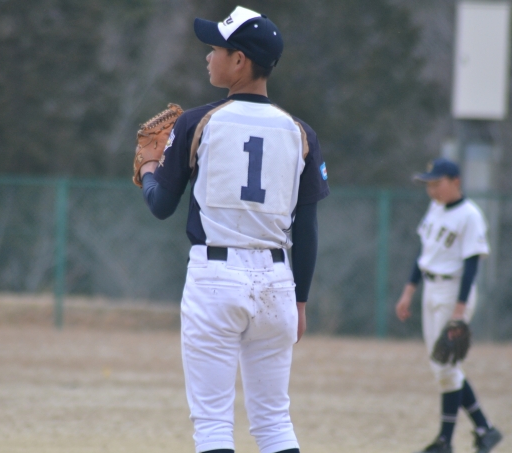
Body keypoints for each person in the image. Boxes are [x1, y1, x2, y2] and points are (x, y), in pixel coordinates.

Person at [136, 6, 329, 453]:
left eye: (216, 48)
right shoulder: (300, 132)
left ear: (239, 60)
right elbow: (307, 226)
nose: (209, 56)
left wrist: (148, 168)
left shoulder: (197, 122)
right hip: (277, 282)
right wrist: (299, 301)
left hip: (216, 278)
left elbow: (161, 206)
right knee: (275, 422)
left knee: (213, 424)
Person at [395, 158, 503, 453]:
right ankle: (484, 429)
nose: (432, 189)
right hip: (431, 288)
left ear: (456, 181)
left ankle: (446, 440)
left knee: (446, 366)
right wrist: (408, 292)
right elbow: (424, 253)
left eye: (437, 183)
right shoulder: (436, 208)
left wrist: (460, 310)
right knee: (442, 364)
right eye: (428, 184)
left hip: (453, 291)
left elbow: (471, 267)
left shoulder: (470, 215)